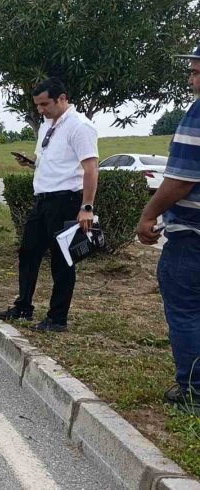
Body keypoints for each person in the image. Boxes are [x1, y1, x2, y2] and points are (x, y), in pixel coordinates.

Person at [0, 77, 99, 332]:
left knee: (62, 262)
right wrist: (33, 163)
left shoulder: (80, 126)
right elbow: (53, 159)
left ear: (62, 98)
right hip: (42, 200)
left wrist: (86, 207)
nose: (40, 109)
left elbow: (91, 168)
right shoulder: (47, 124)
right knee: (28, 253)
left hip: (66, 200)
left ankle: (57, 318)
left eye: (45, 104)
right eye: (37, 105)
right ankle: (23, 307)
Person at [136, 44, 200, 415]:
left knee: (187, 310)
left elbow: (181, 180)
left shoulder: (198, 113)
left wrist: (148, 215)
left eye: (195, 72)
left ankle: (193, 390)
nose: (191, 79)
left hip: (192, 236)